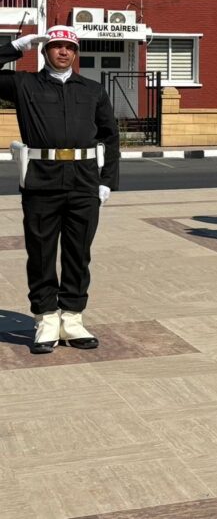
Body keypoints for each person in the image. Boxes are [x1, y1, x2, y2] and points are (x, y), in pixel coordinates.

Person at [0, 26, 120, 354]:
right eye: (56, 46)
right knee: (41, 253)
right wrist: (12, 47)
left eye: (69, 46)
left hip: (84, 181)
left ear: (76, 52)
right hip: (41, 181)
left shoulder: (93, 90)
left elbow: (110, 135)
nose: (63, 52)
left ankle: (72, 317)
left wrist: (107, 180)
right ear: (44, 50)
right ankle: (45, 318)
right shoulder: (24, 85)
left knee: (78, 253)